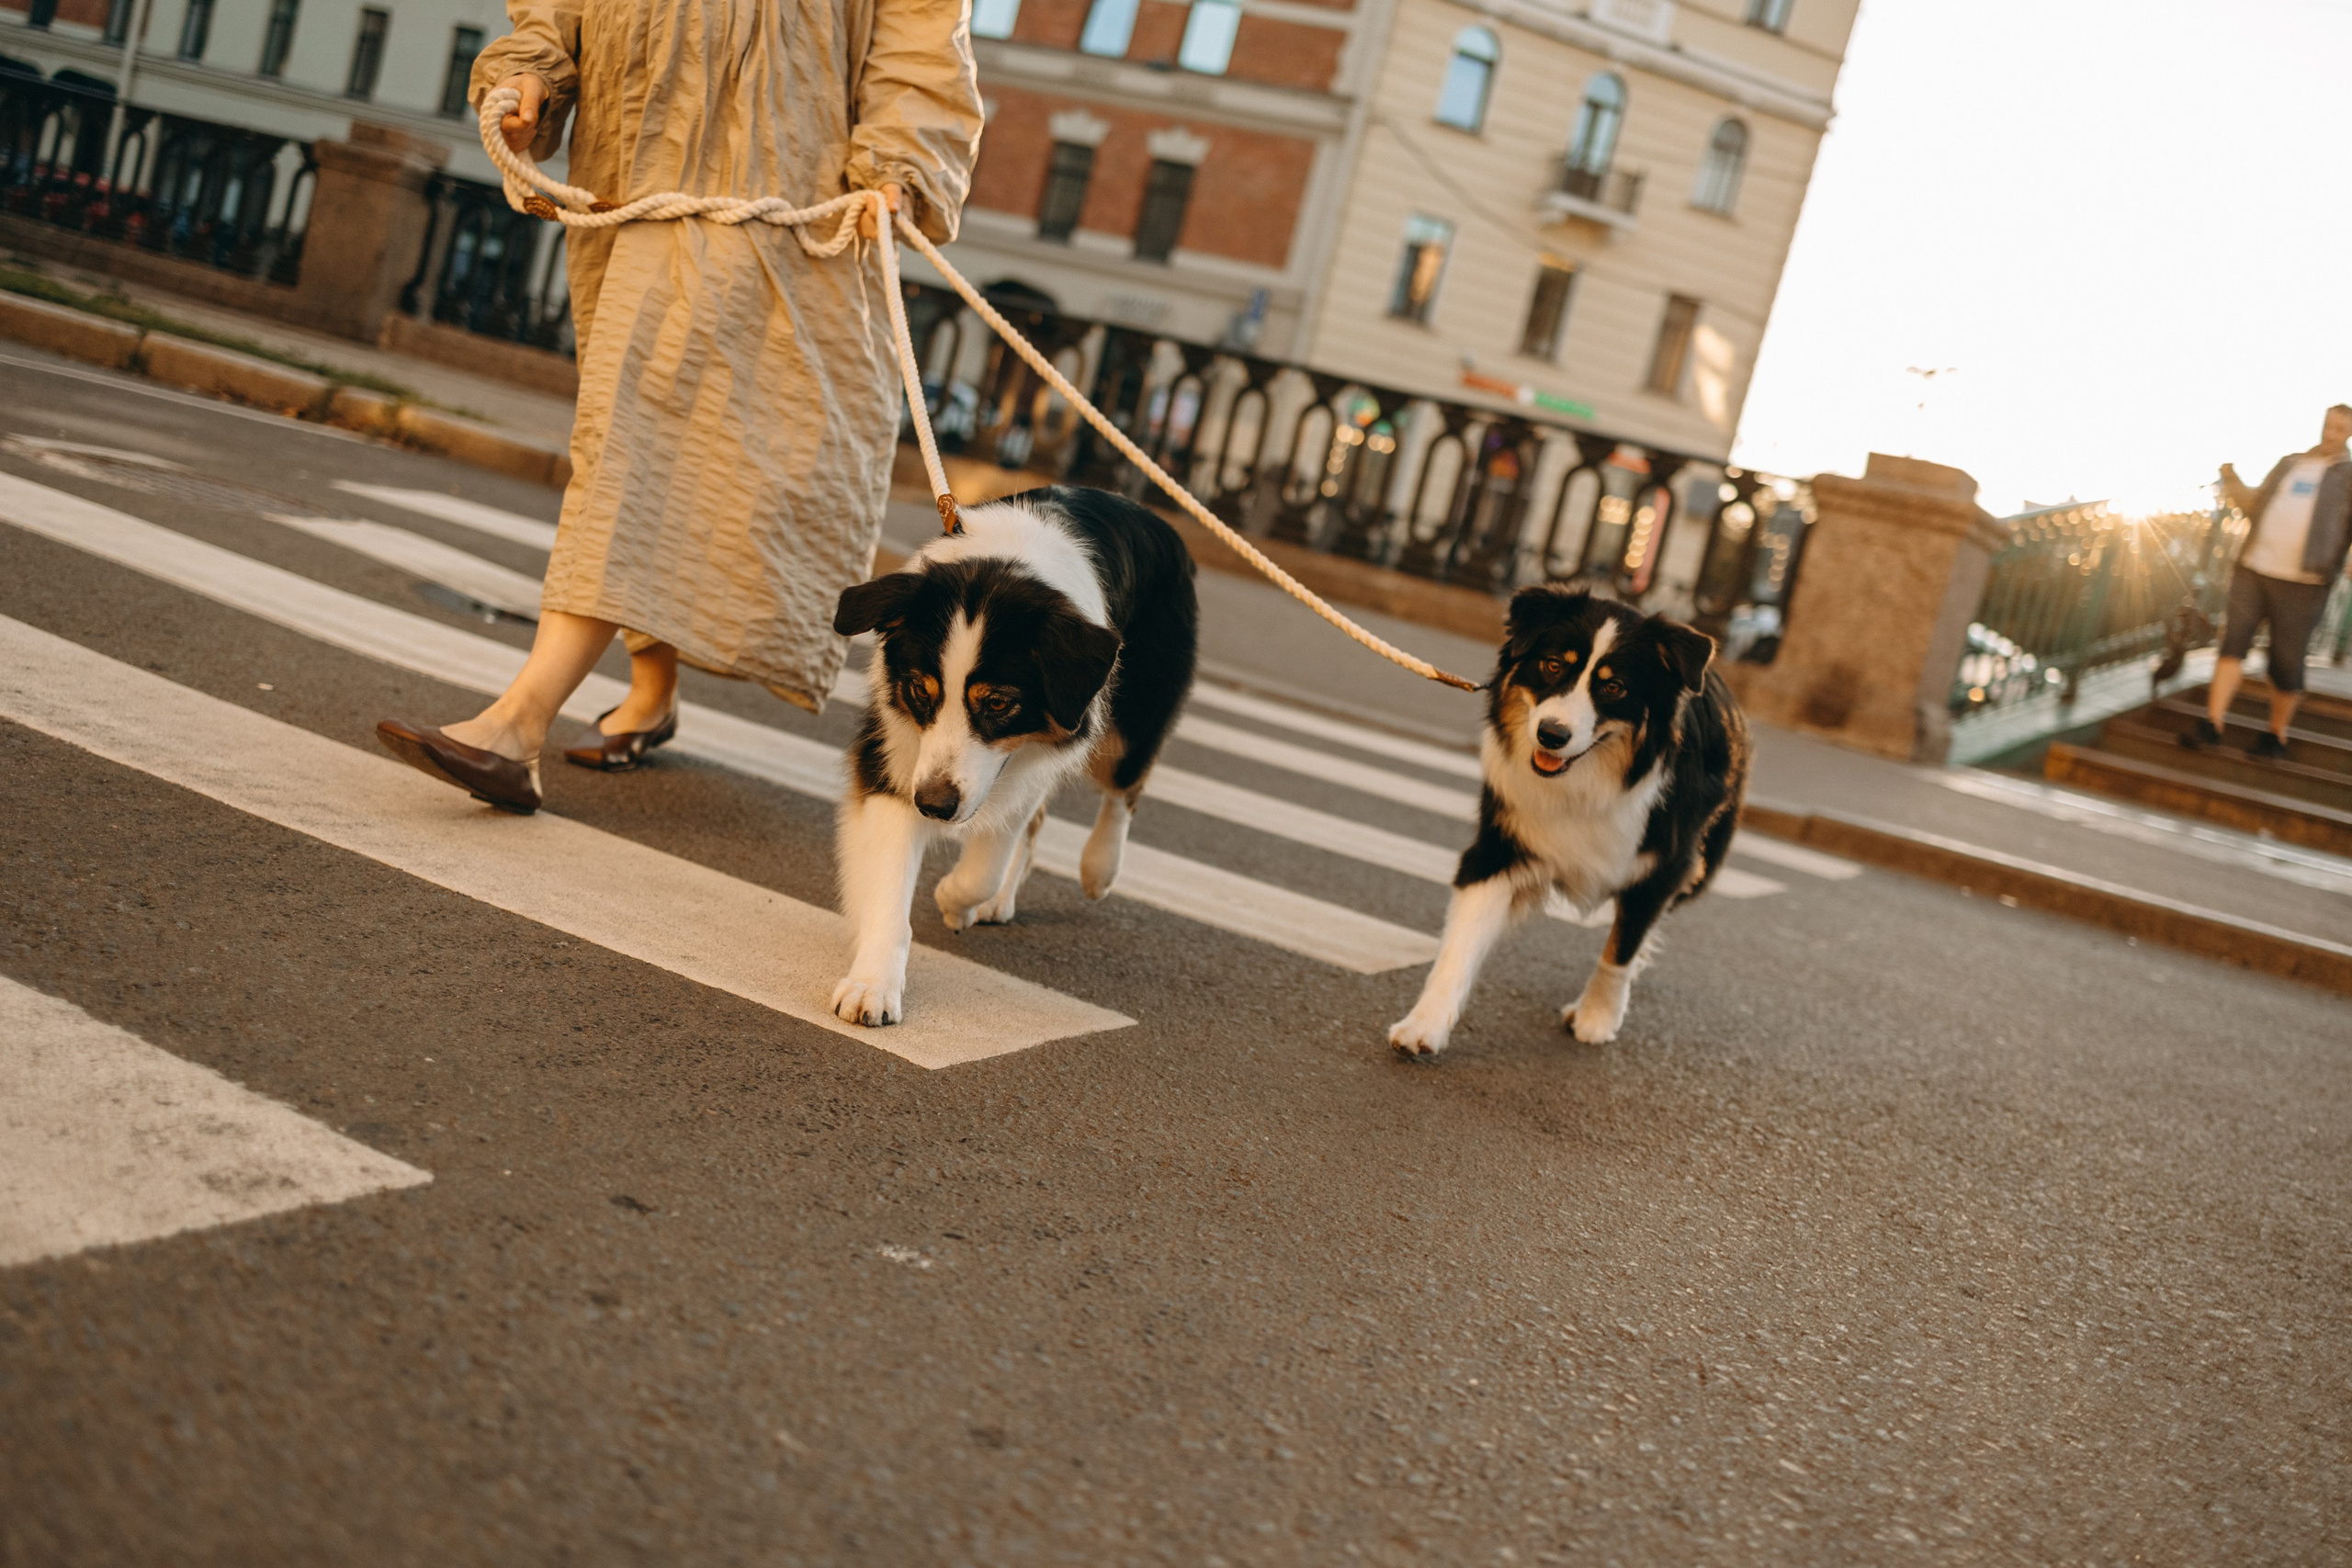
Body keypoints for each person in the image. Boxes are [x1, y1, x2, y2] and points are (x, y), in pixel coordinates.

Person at [378, 0, 982, 812]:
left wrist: (903, 169)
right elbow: (557, 14)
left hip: (782, 216)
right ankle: (651, 687)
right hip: (636, 189)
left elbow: (922, 46)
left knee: (645, 454)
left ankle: (518, 725)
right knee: (648, 454)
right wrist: (530, 75)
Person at [2182, 404, 2352, 759]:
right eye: (2328, 425)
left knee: (2286, 661)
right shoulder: (2290, 463)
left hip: (2304, 582)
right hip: (2254, 568)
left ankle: (2277, 734)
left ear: (2349, 433)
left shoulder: (2349, 476)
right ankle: (2212, 725)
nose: (2330, 433)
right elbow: (2255, 506)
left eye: (2339, 429)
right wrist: (2230, 479)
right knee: (2232, 644)